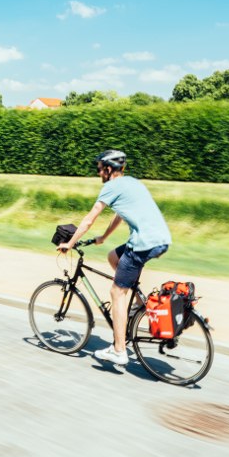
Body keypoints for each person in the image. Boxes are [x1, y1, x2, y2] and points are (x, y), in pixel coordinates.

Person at [58, 150, 171, 367]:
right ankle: (138, 307)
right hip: (161, 240)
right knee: (113, 257)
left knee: (117, 292)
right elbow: (120, 213)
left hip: (143, 244)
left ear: (108, 169)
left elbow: (89, 219)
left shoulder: (110, 187)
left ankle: (119, 350)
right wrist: (104, 237)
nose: (98, 172)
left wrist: (69, 244)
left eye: (99, 168)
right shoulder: (132, 183)